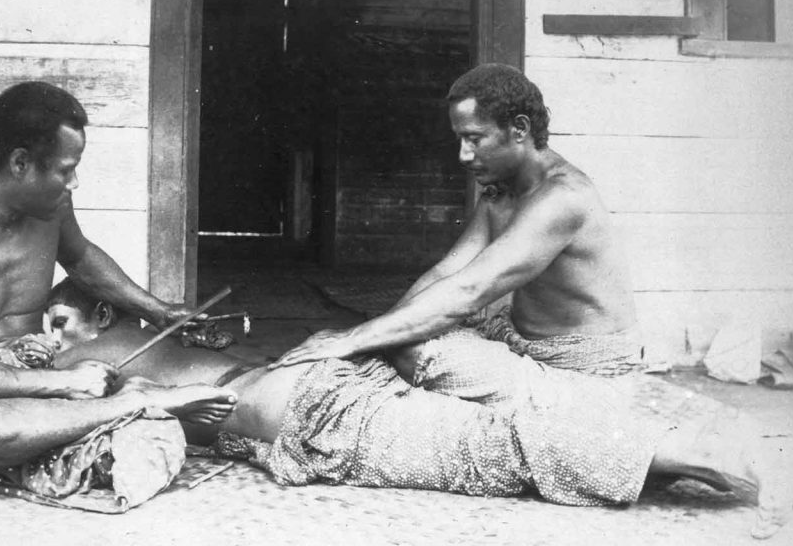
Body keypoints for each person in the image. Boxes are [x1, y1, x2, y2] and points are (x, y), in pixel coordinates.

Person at [45, 281, 793, 539]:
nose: (47, 342)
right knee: (492, 428)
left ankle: (725, 457)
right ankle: (682, 453)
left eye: (58, 323)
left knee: (493, 443)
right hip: (312, 394)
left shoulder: (107, 368)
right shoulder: (113, 360)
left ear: (103, 317)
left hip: (313, 405)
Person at [0, 81, 237, 494]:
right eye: (65, 170)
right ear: (20, 162)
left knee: (148, 377)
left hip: (38, 380)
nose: (74, 183)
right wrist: (66, 385)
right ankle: (130, 405)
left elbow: (80, 258)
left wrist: (157, 311)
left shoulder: (50, 206)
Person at [272, 64, 643, 387]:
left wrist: (355, 339)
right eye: (460, 139)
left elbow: (470, 289)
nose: (464, 155)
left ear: (519, 128)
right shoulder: (501, 193)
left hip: (584, 366)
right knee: (397, 340)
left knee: (410, 349)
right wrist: (374, 335)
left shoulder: (562, 197)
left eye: (474, 139)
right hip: (520, 342)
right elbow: (448, 272)